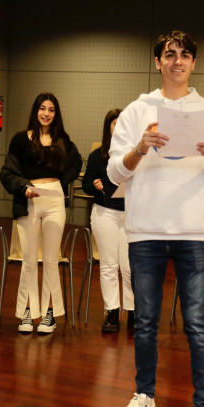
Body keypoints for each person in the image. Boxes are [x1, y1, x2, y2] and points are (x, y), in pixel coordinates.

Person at [108, 30, 204, 407]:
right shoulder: (136, 111)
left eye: (185, 55)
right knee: (144, 323)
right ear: (158, 61)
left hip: (193, 229)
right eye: (170, 54)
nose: (177, 61)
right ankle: (145, 398)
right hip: (145, 230)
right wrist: (140, 148)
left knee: (197, 323)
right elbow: (114, 175)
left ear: (194, 63)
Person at [0, 93, 82, 334]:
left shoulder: (63, 140)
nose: (46, 113)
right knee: (29, 261)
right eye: (42, 109)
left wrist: (60, 184)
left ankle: (49, 314)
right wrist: (23, 187)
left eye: (51, 110)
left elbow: (77, 163)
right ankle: (27, 312)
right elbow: (6, 173)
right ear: (35, 111)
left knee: (51, 261)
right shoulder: (19, 140)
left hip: (54, 200)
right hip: (29, 200)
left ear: (56, 114)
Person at [82, 108, 133, 333]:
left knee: (130, 267)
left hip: (131, 215)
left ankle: (133, 310)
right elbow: (85, 183)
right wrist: (94, 185)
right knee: (109, 265)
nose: (119, 127)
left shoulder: (135, 153)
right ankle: (112, 311)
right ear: (108, 127)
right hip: (105, 213)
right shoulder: (98, 155)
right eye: (115, 123)